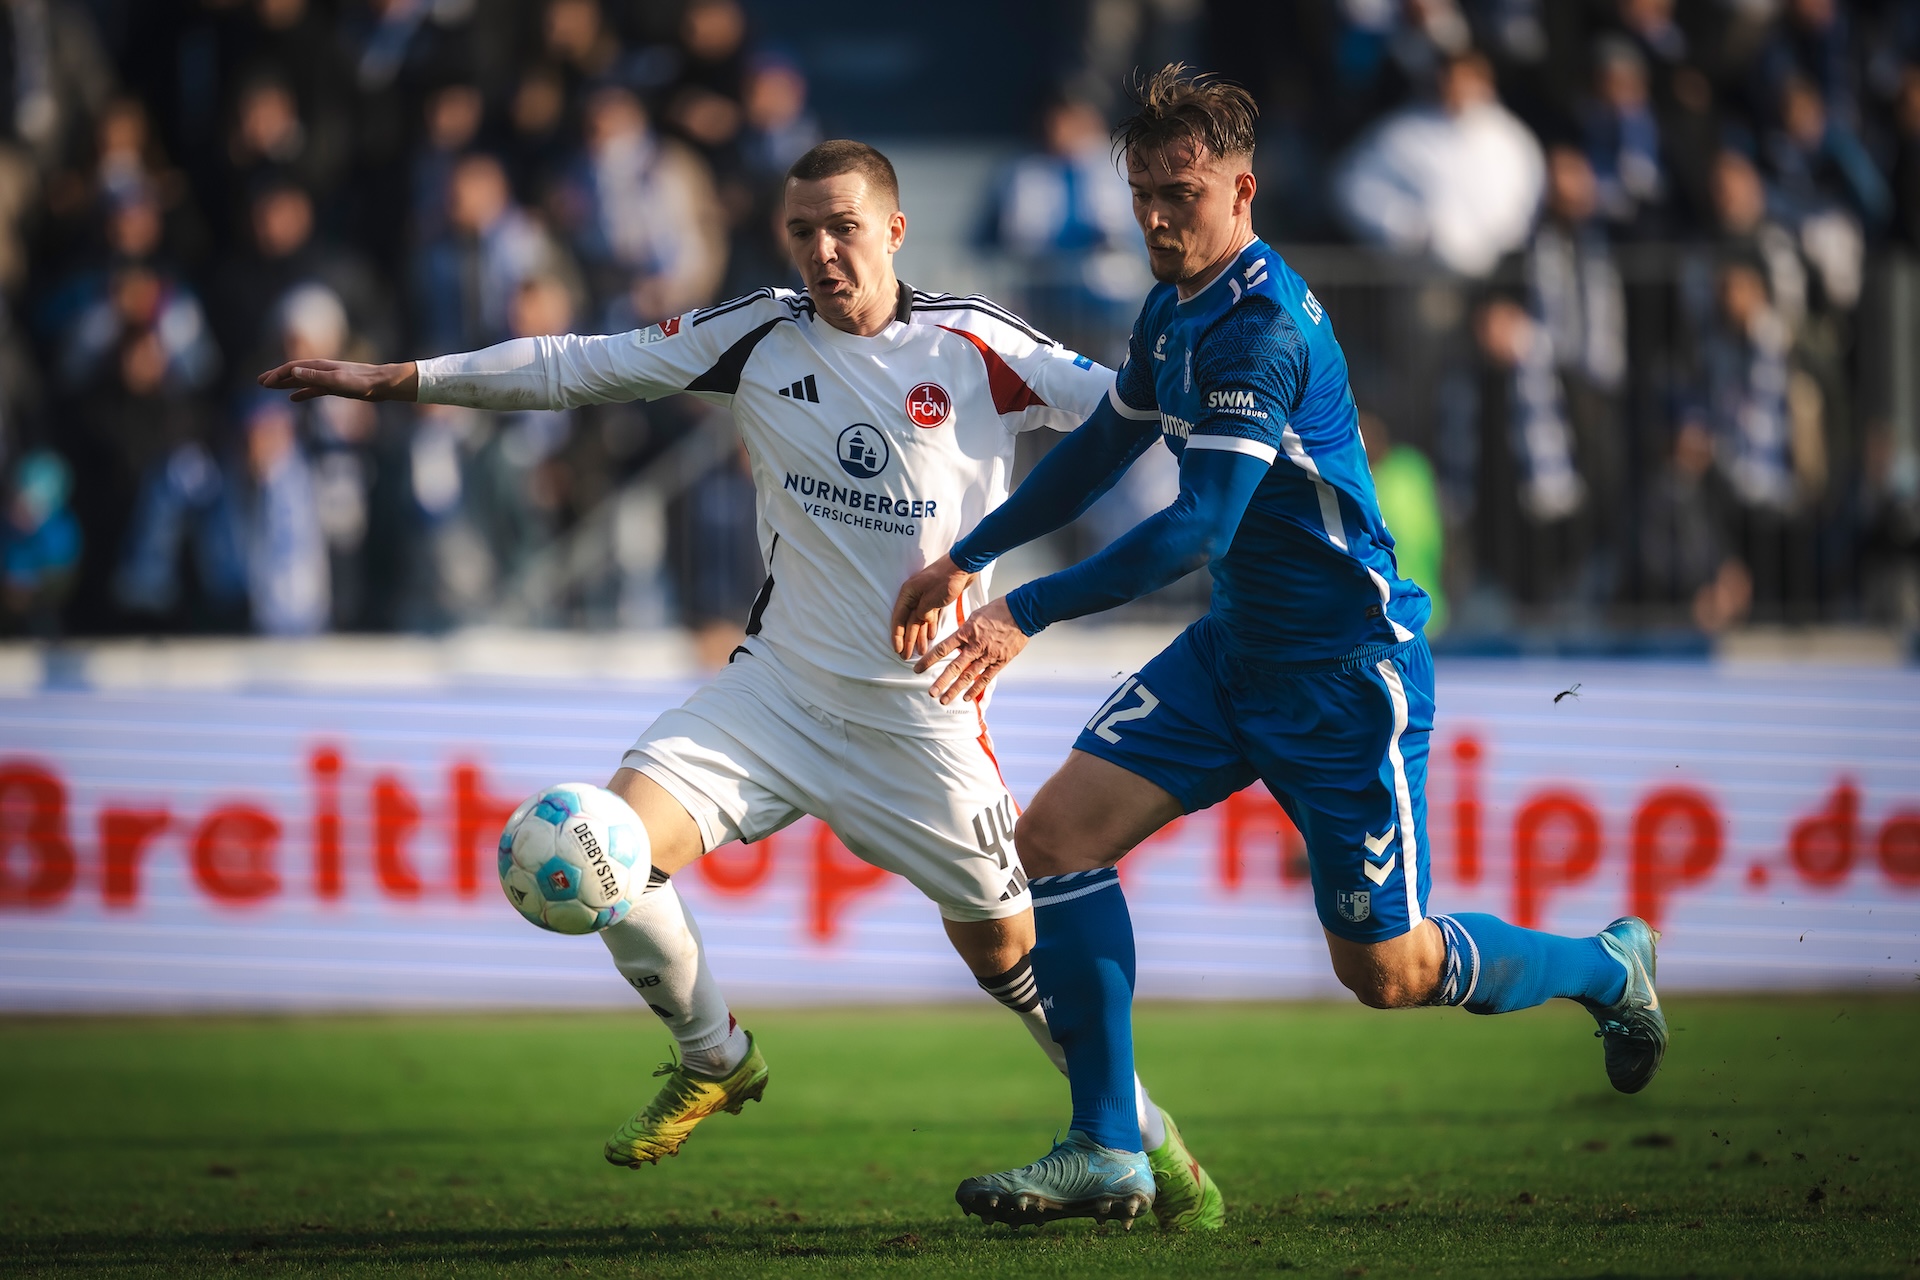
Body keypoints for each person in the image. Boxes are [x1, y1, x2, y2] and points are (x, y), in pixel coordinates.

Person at [258, 139, 1224, 1231]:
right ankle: (713, 1054)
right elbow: (578, 365)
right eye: (802, 229)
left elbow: (1130, 410)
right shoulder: (757, 335)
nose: (821, 250)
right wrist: (403, 379)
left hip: (923, 720)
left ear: (894, 231)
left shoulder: (974, 343)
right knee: (605, 841)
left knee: (1009, 954)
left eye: (843, 227)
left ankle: (1146, 1136)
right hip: (774, 698)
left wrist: (1252, 441)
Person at [892, 66, 1667, 1229]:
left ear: (1243, 189)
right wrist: (969, 554)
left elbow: (1201, 525)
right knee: (1051, 838)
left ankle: (1607, 967)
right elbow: (1101, 449)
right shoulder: (1173, 307)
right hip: (1234, 654)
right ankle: (1106, 1142)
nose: (1157, 217)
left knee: (1387, 971)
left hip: (1346, 678)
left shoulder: (1261, 328)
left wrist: (1023, 609)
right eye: (1143, 192)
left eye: (1182, 194)